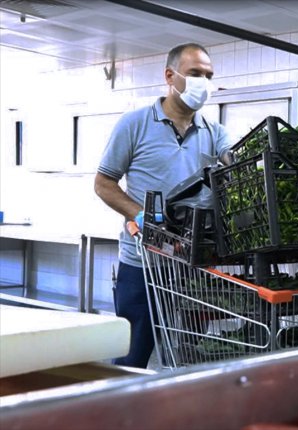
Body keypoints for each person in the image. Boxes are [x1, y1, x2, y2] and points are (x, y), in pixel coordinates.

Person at [94, 43, 231, 368]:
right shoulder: (135, 125)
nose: (204, 83)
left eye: (209, 76)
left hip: (193, 265)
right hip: (143, 264)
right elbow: (103, 183)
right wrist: (138, 213)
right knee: (133, 356)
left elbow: (232, 158)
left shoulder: (214, 132)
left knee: (189, 355)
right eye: (196, 74)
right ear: (171, 75)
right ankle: (123, 415)